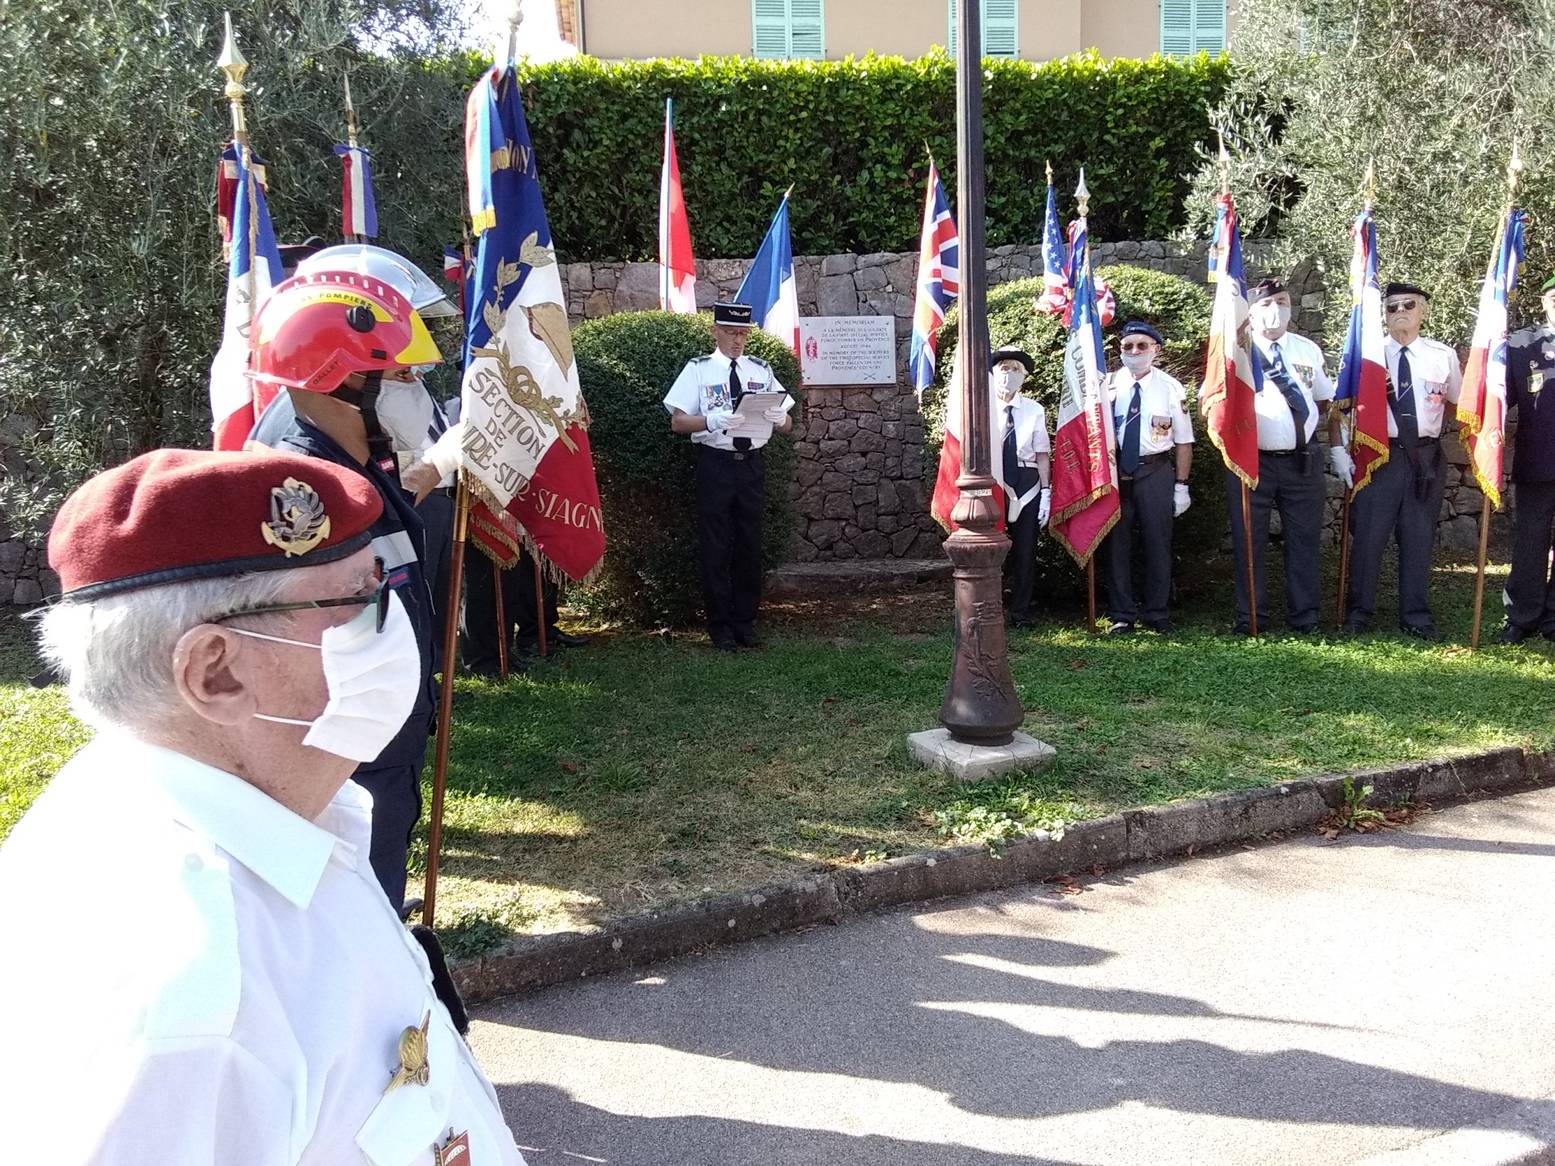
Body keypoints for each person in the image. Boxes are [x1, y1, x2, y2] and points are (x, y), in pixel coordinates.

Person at [2, 448, 525, 1163]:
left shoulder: (278, 814)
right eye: (357, 601)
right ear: (216, 673)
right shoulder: (191, 1006)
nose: (391, 624)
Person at [246, 269, 457, 910]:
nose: (418, 392)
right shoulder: (302, 490)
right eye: (401, 376)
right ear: (342, 381)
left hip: (384, 745)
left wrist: (431, 469)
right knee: (355, 911)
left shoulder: (357, 465)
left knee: (379, 894)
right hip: (346, 764)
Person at [663, 301, 795, 651]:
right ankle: (720, 627)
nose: (738, 341)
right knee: (716, 546)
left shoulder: (760, 370)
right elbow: (678, 421)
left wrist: (779, 419)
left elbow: (788, 422)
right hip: (717, 462)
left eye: (743, 334)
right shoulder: (699, 370)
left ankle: (745, 624)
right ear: (715, 332)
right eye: (731, 333)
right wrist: (711, 421)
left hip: (751, 463)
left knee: (750, 545)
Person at [1335, 281, 1462, 639]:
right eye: (1392, 307)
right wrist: (1341, 451)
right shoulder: (1369, 357)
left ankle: (1416, 616)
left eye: (1409, 305)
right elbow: (1343, 407)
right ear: (1384, 315)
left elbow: (1455, 403)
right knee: (1369, 538)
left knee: (1419, 537)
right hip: (1379, 455)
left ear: (1424, 311)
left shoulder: (1442, 355)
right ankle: (1358, 615)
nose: (1400, 312)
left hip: (1424, 457)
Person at [1229, 278, 1336, 634]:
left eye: (1282, 300)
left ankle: (1304, 616)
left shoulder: (1308, 350)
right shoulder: (1235, 352)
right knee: (1249, 542)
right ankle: (1251, 617)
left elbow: (1323, 398)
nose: (1276, 309)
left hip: (1301, 461)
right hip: (1251, 463)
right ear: (1251, 311)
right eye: (1266, 303)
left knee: (1304, 540)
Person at [1099, 320, 1194, 634]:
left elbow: (1183, 441)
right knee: (1117, 544)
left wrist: (1181, 486)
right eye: (1128, 346)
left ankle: (1157, 612)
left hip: (1155, 471)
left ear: (1156, 350)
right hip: (1116, 473)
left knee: (1157, 542)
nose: (1135, 352)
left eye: (1142, 346)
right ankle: (1122, 613)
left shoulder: (1170, 387)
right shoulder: (1107, 385)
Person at [1501, 272, 1555, 643]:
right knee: (1530, 542)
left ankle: (1553, 620)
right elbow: (1500, 399)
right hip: (1538, 462)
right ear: (1544, 303)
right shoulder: (1522, 345)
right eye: (1554, 298)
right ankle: (1522, 617)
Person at [462, 545, 590, 677]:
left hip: (508, 528)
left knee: (508, 583)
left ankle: (501, 653)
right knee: (482, 585)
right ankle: (480, 661)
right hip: (478, 529)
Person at [991, 345, 1051, 627]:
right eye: (1004, 368)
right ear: (993, 373)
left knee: (1026, 550)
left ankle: (1020, 612)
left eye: (1016, 369)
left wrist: (1047, 491)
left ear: (1024, 376)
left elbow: (1041, 454)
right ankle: (988, 607)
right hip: (993, 481)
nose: (1009, 374)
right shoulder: (982, 405)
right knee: (991, 548)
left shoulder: (1034, 409)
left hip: (1027, 483)